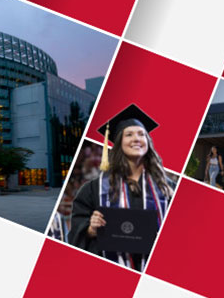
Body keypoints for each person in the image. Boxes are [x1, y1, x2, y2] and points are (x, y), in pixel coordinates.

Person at [69, 104, 175, 271]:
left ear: (148, 142)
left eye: (141, 134)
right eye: (129, 134)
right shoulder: (93, 190)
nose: (136, 139)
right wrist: (90, 229)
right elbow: (76, 231)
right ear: (119, 143)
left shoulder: (168, 188)